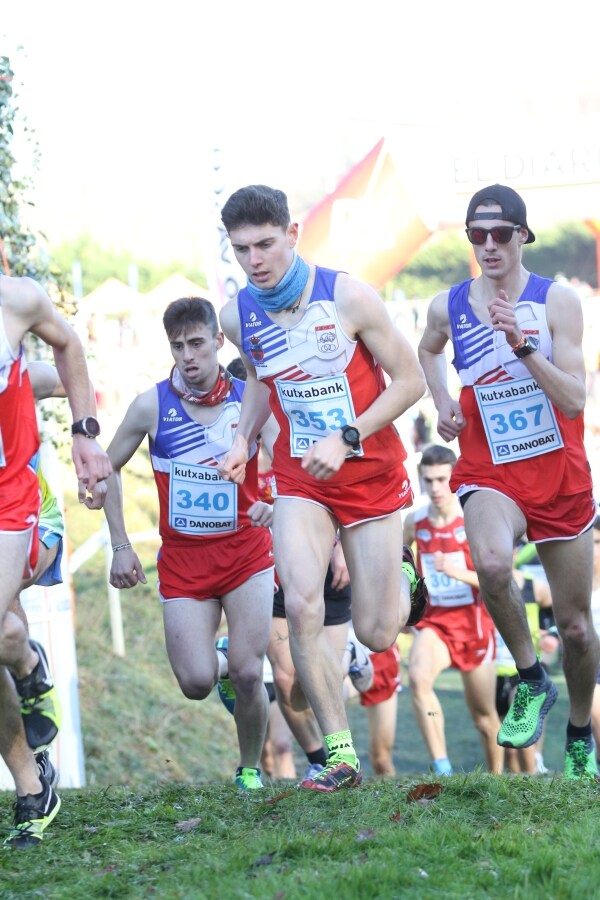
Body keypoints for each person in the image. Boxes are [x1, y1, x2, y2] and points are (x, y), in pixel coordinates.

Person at [217, 184, 428, 792]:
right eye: (240, 250)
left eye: (264, 244)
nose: (254, 260)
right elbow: (261, 379)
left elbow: (410, 382)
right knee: (303, 602)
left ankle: (402, 575)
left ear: (292, 234)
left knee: (376, 632)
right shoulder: (238, 315)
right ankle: (339, 755)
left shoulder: (350, 297)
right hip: (299, 477)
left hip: (369, 471)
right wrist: (242, 439)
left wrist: (348, 436)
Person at [418, 183, 599, 779]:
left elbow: (574, 401)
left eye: (500, 233)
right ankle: (528, 677)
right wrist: (443, 399)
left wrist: (522, 345)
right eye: (477, 235)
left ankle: (577, 732)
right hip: (488, 467)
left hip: (558, 472)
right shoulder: (450, 305)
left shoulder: (558, 303)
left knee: (574, 625)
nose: (488, 245)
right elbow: (428, 348)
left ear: (523, 235)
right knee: (492, 564)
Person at [101, 296, 275, 791]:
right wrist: (119, 544)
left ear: (219, 342)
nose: (188, 356)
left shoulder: (251, 399)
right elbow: (105, 468)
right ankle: (219, 658)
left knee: (248, 673)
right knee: (197, 682)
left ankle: (248, 770)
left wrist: (276, 499)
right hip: (184, 564)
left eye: (197, 343)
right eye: (178, 347)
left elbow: (289, 452)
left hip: (246, 553)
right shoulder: (151, 405)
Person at [1, 273, 111, 848]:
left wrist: (85, 434)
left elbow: (65, 351)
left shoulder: (14, 301)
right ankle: (26, 669)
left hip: (12, 499)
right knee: (3, 634)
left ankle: (29, 779)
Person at [404, 444, 502, 775]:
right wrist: (404, 604)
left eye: (442, 480)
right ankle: (442, 767)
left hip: (474, 627)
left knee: (485, 719)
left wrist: (456, 571)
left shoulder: (474, 518)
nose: (435, 488)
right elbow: (399, 562)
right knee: (418, 678)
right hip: (436, 624)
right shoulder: (415, 521)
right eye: (428, 480)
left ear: (454, 477)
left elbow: (502, 579)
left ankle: (496, 782)